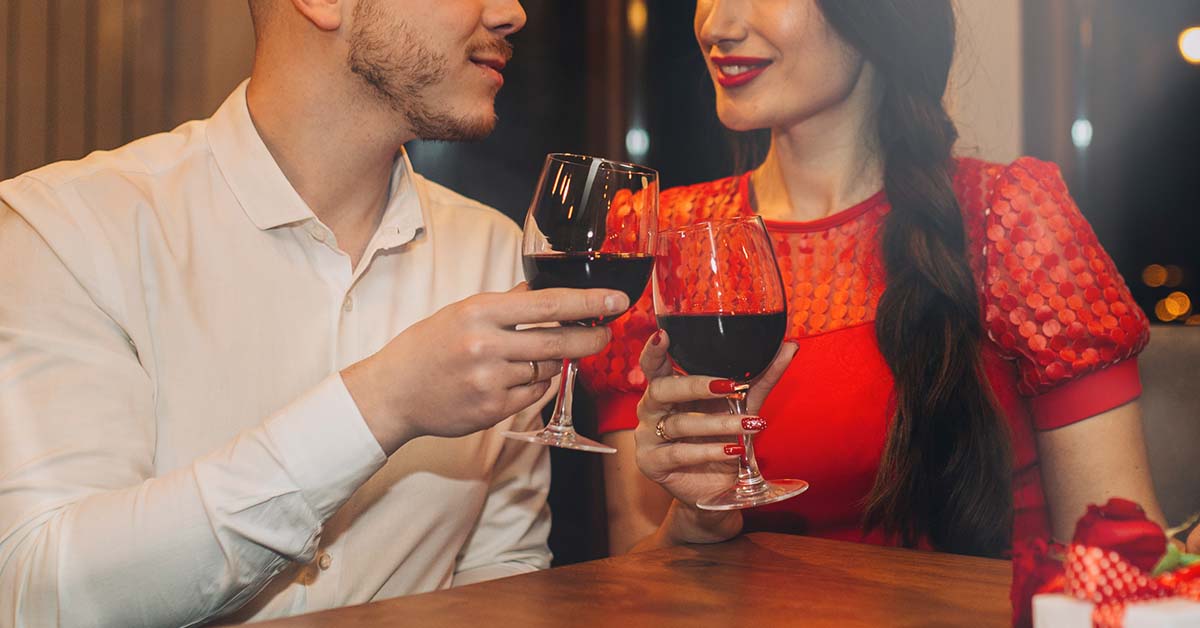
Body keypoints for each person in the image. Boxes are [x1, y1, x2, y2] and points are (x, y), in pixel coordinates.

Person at [0, 1, 631, 625]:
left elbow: (503, 566)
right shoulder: (69, 227)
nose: (512, 12)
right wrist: (382, 404)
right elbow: (43, 599)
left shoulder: (494, 254)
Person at [581, 0, 1200, 562]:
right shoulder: (658, 239)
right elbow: (634, 581)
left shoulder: (1005, 216)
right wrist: (693, 519)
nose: (717, 24)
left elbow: (1116, 561)